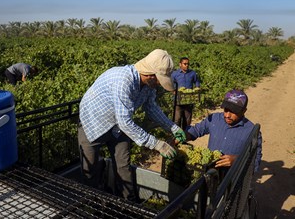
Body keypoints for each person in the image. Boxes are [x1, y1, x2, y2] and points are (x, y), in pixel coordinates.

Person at [78, 49, 187, 202]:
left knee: (124, 166)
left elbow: (151, 108)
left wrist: (172, 127)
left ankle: (128, 204)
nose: (158, 85)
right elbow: (125, 122)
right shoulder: (123, 80)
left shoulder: (148, 85)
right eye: (159, 80)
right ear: (150, 74)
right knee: (90, 169)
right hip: (93, 122)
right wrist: (156, 144)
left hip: (117, 126)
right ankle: (92, 203)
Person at [184, 89, 262, 172]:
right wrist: (182, 136)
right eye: (226, 110)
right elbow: (196, 130)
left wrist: (237, 161)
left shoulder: (251, 131)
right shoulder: (215, 119)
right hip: (210, 172)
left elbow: (255, 161)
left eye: (233, 111)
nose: (227, 115)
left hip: (231, 178)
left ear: (244, 111)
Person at [171, 57, 201, 130]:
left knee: (187, 120)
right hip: (178, 100)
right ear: (180, 64)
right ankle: (176, 137)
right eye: (185, 64)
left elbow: (197, 81)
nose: (186, 65)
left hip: (189, 99)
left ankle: (185, 136)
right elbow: (171, 84)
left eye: (188, 64)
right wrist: (173, 91)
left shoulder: (192, 73)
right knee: (177, 119)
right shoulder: (175, 74)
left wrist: (197, 88)